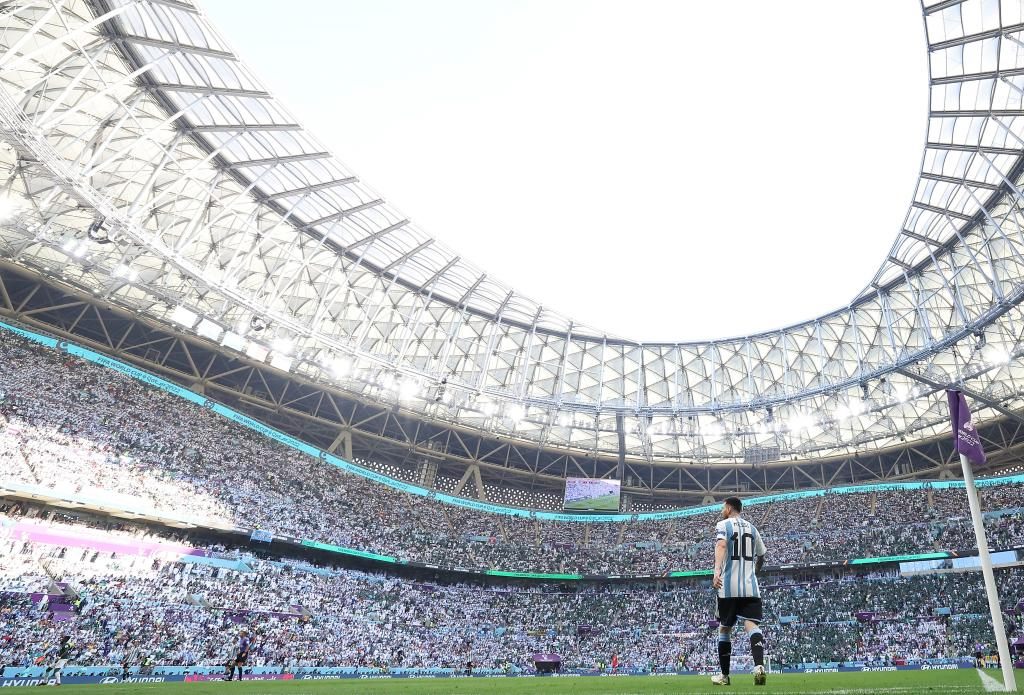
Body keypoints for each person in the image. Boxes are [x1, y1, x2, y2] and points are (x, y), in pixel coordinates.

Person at [710, 496, 767, 687]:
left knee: (725, 628)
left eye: (723, 507)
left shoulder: (723, 524)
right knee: (751, 625)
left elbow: (721, 545)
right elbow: (762, 556)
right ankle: (759, 666)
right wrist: (754, 573)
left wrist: (716, 571)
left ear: (728, 508)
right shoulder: (753, 528)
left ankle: (725, 676)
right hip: (750, 587)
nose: (722, 510)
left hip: (728, 587)